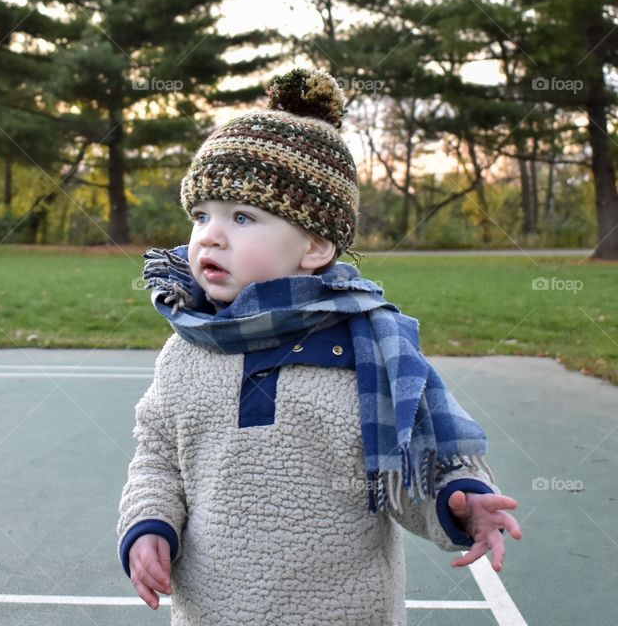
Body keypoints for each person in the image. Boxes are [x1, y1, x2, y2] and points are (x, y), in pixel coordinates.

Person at [116, 67, 522, 625]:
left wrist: (458, 498)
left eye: (242, 216)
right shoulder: (189, 347)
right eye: (201, 215)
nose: (210, 234)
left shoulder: (370, 347)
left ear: (314, 246)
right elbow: (158, 457)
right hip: (213, 610)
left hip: (345, 610)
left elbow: (418, 462)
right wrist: (148, 525)